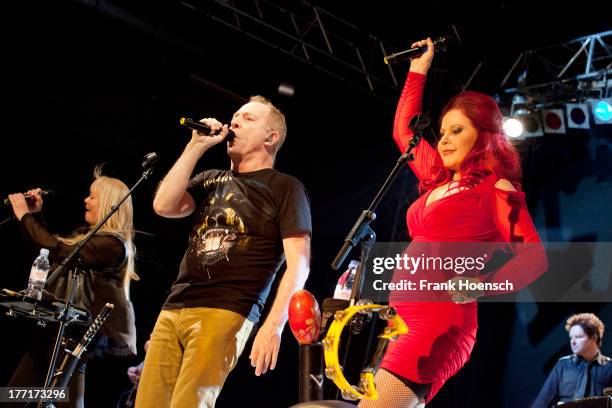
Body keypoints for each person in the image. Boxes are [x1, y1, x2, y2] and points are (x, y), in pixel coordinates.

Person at [359, 38, 548, 408]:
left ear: (484, 135)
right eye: (443, 131)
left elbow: (535, 257)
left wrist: (481, 283)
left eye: (456, 131)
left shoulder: (495, 189)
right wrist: (418, 70)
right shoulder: (439, 181)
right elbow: (404, 132)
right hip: (402, 320)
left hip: (438, 324)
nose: (444, 140)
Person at [135, 95, 312, 407]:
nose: (235, 123)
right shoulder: (210, 179)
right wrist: (196, 146)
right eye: (235, 116)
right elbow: (164, 205)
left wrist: (274, 325)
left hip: (227, 309)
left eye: (247, 118)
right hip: (175, 306)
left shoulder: (285, 187)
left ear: (271, 138)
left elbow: (300, 264)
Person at [6, 167, 138, 408]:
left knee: (62, 399)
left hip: (73, 338)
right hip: (51, 332)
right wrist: (34, 217)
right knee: (13, 398)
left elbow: (61, 251)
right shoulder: (86, 238)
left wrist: (25, 216)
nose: (86, 200)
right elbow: (50, 252)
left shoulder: (112, 245)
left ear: (109, 203)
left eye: (93, 196)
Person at [532, 313, 612, 407]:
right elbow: (542, 402)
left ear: (594, 337)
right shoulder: (562, 365)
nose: (572, 342)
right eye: (571, 337)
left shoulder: (609, 367)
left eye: (578, 337)